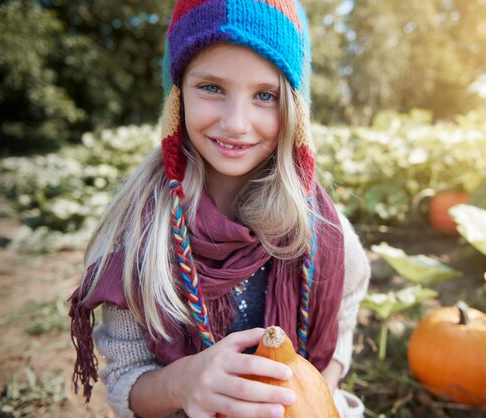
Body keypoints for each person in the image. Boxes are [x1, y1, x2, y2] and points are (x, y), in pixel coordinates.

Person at [69, 0, 370, 417]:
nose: (236, 122)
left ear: (294, 111)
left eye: (265, 95)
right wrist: (184, 382)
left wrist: (312, 401)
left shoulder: (318, 224)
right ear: (177, 96)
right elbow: (126, 379)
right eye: (212, 87)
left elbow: (342, 324)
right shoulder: (138, 233)